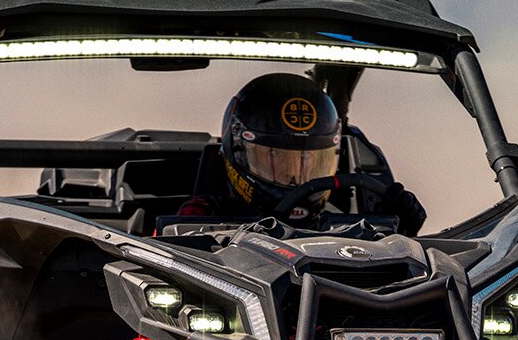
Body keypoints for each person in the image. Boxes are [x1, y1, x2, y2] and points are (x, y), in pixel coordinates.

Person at [167, 72, 426, 234]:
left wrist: (400, 236)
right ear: (237, 154)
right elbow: (166, 263)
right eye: (276, 161)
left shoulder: (346, 225)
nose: (296, 179)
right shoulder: (199, 217)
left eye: (311, 163)